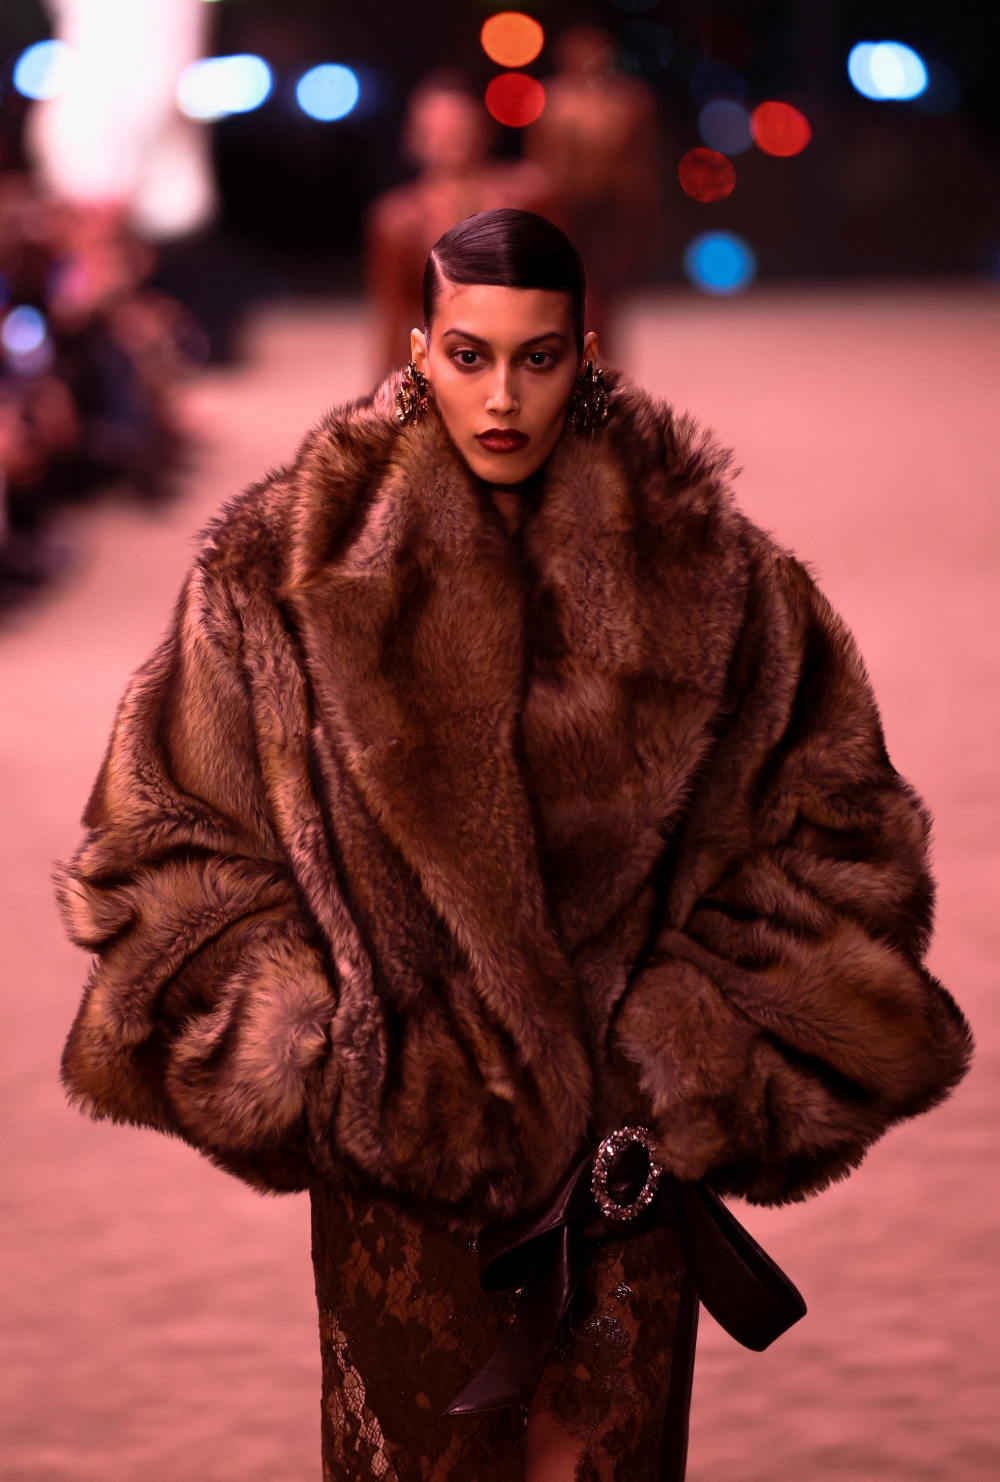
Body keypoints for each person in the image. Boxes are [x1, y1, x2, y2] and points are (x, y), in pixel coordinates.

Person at [58, 209, 971, 1481]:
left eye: (536, 359)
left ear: (585, 354)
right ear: (419, 350)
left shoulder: (724, 579)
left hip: (625, 1175)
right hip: (402, 1169)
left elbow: (845, 840)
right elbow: (161, 848)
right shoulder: (280, 573)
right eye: (470, 356)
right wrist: (324, 1052)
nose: (501, 396)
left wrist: (688, 1049)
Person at [366, 76, 556, 375]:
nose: (450, 138)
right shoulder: (399, 218)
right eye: (436, 129)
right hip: (447, 371)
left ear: (484, 129)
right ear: (413, 138)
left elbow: (567, 292)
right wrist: (386, 403)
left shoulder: (527, 194)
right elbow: (394, 317)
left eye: (460, 126)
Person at [527, 27, 662, 351]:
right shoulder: (551, 100)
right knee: (567, 293)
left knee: (606, 294)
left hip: (610, 208)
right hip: (563, 207)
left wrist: (641, 214)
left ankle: (604, 369)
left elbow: (639, 161)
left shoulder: (629, 100)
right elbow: (540, 162)